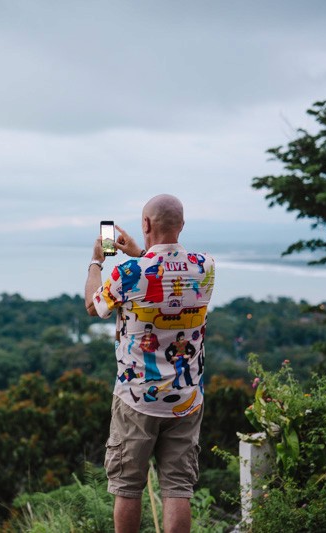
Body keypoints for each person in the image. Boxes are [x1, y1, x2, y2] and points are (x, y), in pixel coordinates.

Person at [84, 194, 215, 533]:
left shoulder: (128, 273)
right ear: (182, 225)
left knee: (127, 487)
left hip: (137, 398)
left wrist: (97, 262)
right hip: (187, 398)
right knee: (178, 488)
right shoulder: (205, 267)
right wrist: (140, 254)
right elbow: (167, 282)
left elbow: (93, 306)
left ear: (145, 225)